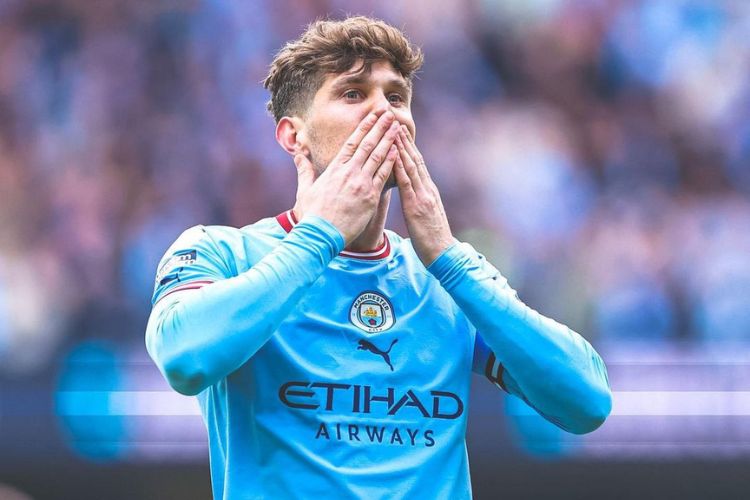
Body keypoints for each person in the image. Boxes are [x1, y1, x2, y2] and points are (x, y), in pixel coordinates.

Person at [145, 16, 612, 499]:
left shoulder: (448, 278)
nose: (385, 114)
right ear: (293, 136)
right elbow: (185, 360)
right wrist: (319, 237)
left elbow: (586, 403)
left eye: (396, 97)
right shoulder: (224, 253)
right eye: (353, 94)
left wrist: (450, 259)